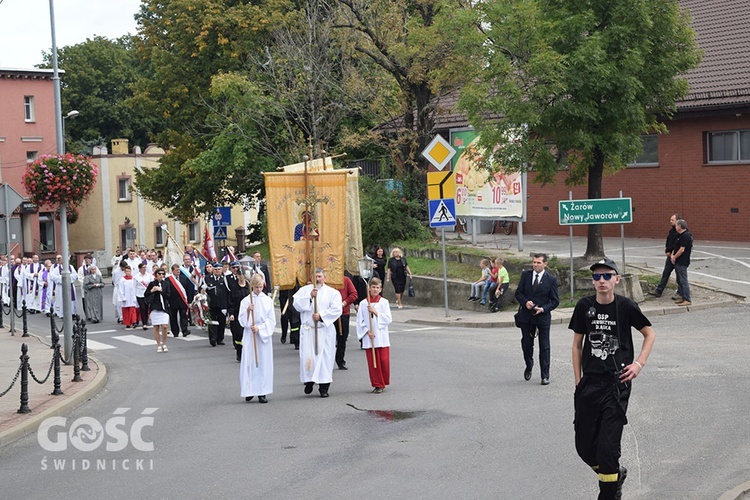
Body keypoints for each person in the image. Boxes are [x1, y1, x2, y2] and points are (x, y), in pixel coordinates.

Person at [570, 258, 655, 500]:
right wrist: (578, 380)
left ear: (617, 279)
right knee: (584, 448)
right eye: (597, 276)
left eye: (607, 276)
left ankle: (609, 492)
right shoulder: (584, 306)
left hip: (616, 386)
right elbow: (577, 346)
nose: (601, 281)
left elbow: (649, 334)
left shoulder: (626, 307)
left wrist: (639, 364)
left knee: (607, 451)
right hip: (588, 385)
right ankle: (615, 474)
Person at [293, 268, 342, 398]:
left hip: (324, 330)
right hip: (309, 331)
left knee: (325, 359)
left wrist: (321, 316)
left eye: (320, 276)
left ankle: (324, 387)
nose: (318, 279)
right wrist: (309, 297)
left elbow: (337, 309)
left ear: (324, 278)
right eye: (315, 276)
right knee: (309, 358)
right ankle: (309, 381)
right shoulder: (304, 290)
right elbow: (296, 305)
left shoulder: (333, 293)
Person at [514, 253, 560, 385]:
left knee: (544, 346)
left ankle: (545, 375)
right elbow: (518, 293)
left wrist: (543, 308)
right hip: (526, 316)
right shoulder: (526, 275)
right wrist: (525, 302)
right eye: (534, 262)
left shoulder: (551, 280)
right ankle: (529, 364)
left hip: (542, 317)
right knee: (527, 344)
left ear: (545, 264)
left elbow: (555, 301)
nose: (535, 265)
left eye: (538, 262)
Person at [238, 274, 276, 403]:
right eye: (256, 287)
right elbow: (242, 320)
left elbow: (271, 320)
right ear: (252, 286)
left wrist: (260, 328)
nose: (258, 290)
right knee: (250, 363)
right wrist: (248, 311)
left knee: (263, 364)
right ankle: (249, 390)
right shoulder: (246, 301)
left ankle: (262, 391)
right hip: (250, 335)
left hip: (262, 336)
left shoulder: (267, 300)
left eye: (260, 287)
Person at [356, 277, 393, 393]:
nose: (375, 290)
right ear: (369, 288)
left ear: (380, 289)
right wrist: (367, 331)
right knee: (373, 362)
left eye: (377, 287)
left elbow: (388, 319)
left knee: (383, 360)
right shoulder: (363, 304)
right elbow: (359, 321)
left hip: (381, 337)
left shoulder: (384, 302)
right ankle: (377, 384)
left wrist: (375, 312)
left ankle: (384, 381)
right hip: (370, 337)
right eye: (373, 287)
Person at [649, 213, 680, 298]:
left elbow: (677, 244)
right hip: (669, 256)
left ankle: (680, 292)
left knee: (679, 276)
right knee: (665, 273)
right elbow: (669, 241)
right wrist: (666, 249)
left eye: (672, 220)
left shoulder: (679, 232)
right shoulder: (672, 230)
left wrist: (672, 252)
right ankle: (659, 290)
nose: (670, 221)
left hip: (677, 257)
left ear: (677, 221)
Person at [334, 274, 359, 370]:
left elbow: (354, 294)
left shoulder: (346, 280)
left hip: (343, 313)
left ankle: (340, 360)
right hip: (329, 314)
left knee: (342, 337)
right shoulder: (326, 281)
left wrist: (344, 303)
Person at [203, 262, 230, 347]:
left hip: (222, 305)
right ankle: (212, 339)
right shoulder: (207, 278)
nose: (217, 271)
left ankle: (220, 339)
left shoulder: (225, 279)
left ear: (222, 270)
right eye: (215, 269)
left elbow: (228, 293)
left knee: (222, 323)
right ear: (213, 270)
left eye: (219, 269)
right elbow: (202, 289)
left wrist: (226, 306)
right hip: (211, 304)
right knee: (212, 322)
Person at [228, 262, 251, 362]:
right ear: (237, 276)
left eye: (242, 275)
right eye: (239, 275)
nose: (241, 277)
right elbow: (231, 301)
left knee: (246, 333)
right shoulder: (234, 288)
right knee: (238, 334)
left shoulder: (249, 287)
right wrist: (231, 313)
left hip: (248, 313)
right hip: (237, 313)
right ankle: (239, 352)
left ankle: (247, 353)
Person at [145, 268, 171, 353]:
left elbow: (168, 295)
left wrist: (161, 290)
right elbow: (146, 294)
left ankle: (164, 343)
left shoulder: (166, 284)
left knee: (164, 326)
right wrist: (152, 290)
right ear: (156, 275)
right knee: (156, 327)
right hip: (155, 307)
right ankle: (159, 344)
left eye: (162, 274)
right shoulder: (152, 284)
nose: (161, 275)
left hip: (164, 308)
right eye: (159, 273)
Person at [164, 263, 193, 337]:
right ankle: (175, 332)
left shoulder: (184, 278)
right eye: (176, 270)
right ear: (172, 271)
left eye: (179, 270)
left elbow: (188, 290)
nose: (178, 271)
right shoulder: (168, 280)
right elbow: (166, 291)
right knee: (173, 318)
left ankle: (184, 330)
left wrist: (189, 301)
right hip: (172, 301)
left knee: (183, 316)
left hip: (182, 301)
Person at [672, 219, 693, 306]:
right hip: (677, 261)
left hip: (682, 261)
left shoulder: (686, 236)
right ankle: (682, 296)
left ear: (680, 226)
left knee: (683, 280)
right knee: (679, 280)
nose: (675, 227)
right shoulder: (679, 235)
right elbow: (676, 246)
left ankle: (687, 299)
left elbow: (682, 249)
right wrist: (673, 255)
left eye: (676, 225)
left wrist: (674, 257)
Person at [279, 284, 301, 348]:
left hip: (294, 293)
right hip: (284, 294)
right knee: (284, 317)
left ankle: (295, 339)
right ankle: (284, 334)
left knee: (294, 319)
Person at [134, 263, 153, 330]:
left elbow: (151, 284)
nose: (144, 269)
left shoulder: (149, 275)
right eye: (143, 267)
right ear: (140, 268)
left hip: (147, 294)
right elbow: (134, 286)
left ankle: (146, 320)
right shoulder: (136, 277)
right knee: (142, 308)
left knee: (146, 308)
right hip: (139, 294)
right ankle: (144, 323)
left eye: (145, 267)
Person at [118, 266, 138, 330]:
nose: (128, 272)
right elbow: (120, 290)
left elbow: (135, 287)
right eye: (127, 271)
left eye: (129, 271)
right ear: (124, 272)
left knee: (132, 310)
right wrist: (122, 297)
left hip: (132, 297)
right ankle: (127, 323)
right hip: (126, 297)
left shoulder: (133, 279)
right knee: (126, 311)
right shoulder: (122, 280)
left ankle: (134, 322)